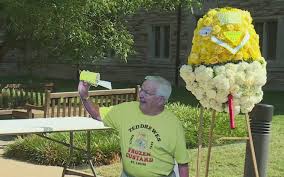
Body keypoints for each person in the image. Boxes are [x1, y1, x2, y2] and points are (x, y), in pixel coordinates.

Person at [78, 76, 189, 177]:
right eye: (141, 90)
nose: (141, 94)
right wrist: (84, 95)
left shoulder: (173, 124)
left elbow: (182, 164)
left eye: (147, 93)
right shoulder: (126, 110)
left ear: (160, 100)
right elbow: (97, 114)